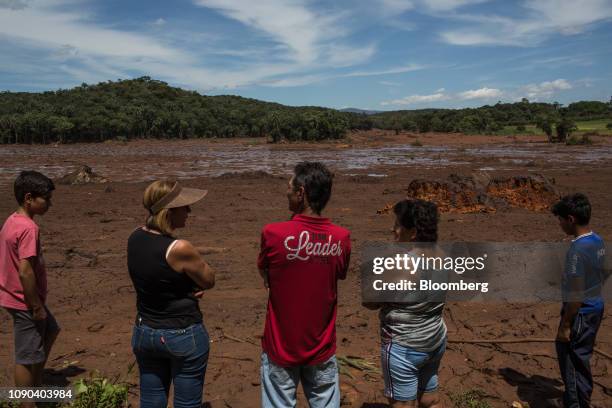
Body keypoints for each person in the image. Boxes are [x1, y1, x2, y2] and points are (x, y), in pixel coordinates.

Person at [258, 162, 351, 407]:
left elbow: (265, 274)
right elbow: (338, 275)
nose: (286, 193)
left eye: (289, 188)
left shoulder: (273, 234)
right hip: (321, 345)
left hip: (281, 346)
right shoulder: (341, 237)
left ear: (301, 193)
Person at [127, 180, 215, 408]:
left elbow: (156, 278)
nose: (189, 211)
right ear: (169, 212)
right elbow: (209, 279)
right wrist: (192, 287)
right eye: (184, 207)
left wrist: (185, 288)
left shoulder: (134, 238)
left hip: (145, 331)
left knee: (151, 400)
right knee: (187, 403)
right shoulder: (179, 248)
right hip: (182, 333)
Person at [364, 199, 446, 408]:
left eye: (398, 224)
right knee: (429, 398)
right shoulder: (442, 256)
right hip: (434, 339)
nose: (393, 229)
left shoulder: (403, 265)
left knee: (403, 404)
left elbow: (371, 302)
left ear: (414, 232)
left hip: (405, 346)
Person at [0, 171, 60, 407]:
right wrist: (36, 306)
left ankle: (36, 385)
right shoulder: (28, 229)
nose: (49, 203)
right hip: (24, 299)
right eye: (46, 198)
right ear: (29, 198)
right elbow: (25, 271)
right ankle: (27, 401)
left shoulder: (13, 220)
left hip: (16, 295)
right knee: (26, 356)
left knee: (51, 329)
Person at [552, 193, 605, 408]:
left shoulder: (576, 251)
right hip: (595, 306)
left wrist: (565, 326)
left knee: (571, 361)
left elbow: (576, 295)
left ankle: (577, 404)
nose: (560, 224)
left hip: (580, 313)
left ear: (571, 219)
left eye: (561, 219)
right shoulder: (598, 240)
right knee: (581, 359)